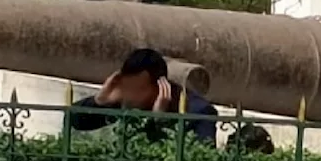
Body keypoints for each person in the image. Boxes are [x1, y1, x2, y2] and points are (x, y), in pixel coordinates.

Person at [70, 48, 219, 145]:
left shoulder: (199, 112)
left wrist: (160, 123)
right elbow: (74, 121)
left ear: (161, 85)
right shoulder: (131, 101)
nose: (131, 97)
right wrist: (99, 102)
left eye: (140, 88)